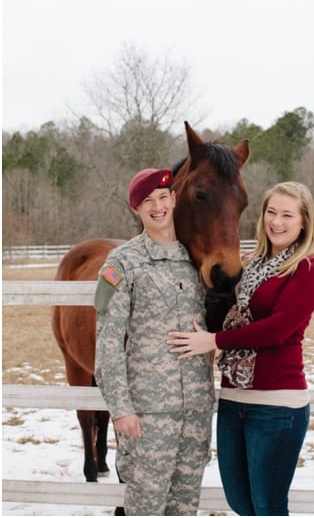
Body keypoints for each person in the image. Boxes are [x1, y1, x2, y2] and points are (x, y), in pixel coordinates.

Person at [167, 181, 314, 516]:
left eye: (287, 215)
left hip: (277, 405)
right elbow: (221, 312)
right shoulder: (247, 265)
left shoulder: (309, 268)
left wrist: (212, 342)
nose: (277, 222)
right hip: (233, 400)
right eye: (271, 212)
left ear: (304, 222)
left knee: (267, 507)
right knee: (240, 503)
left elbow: (277, 331)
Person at [94, 168, 215, 515]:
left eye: (163, 197)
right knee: (144, 509)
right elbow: (108, 342)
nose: (157, 206)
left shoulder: (197, 259)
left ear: (174, 199)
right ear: (136, 209)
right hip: (147, 416)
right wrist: (121, 409)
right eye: (147, 201)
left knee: (185, 508)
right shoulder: (122, 263)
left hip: (195, 411)